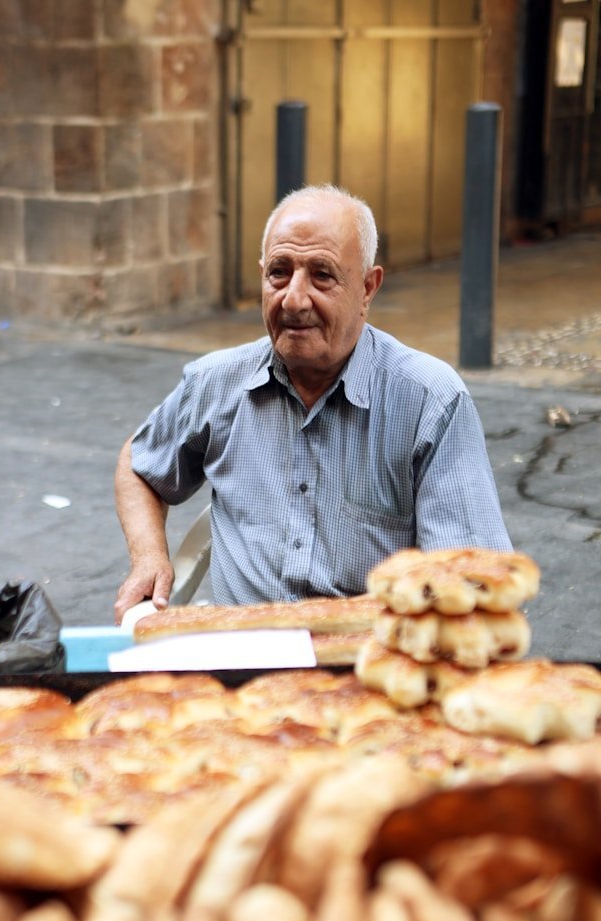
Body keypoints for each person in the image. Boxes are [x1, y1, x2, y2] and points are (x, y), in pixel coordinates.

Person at [113, 183, 512, 623]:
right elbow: (140, 464)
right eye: (279, 273)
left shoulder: (429, 402)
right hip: (242, 660)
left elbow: (476, 581)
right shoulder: (215, 382)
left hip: (369, 664)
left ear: (367, 288)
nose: (294, 299)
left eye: (322, 275)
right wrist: (150, 557)